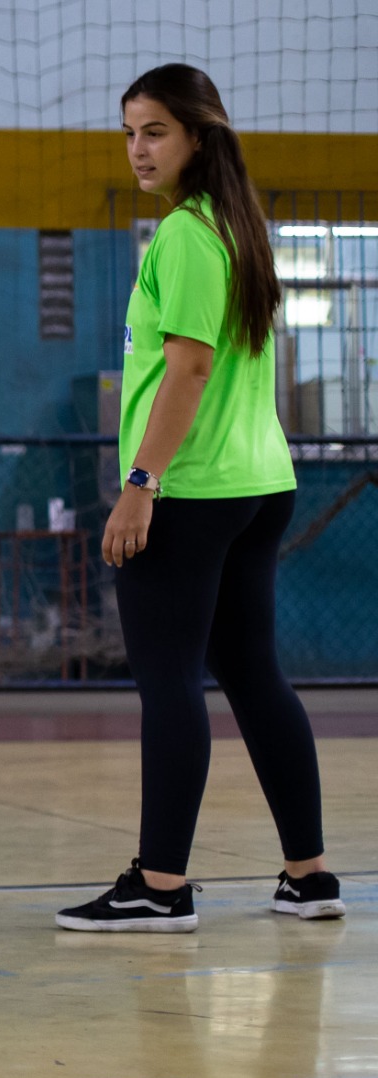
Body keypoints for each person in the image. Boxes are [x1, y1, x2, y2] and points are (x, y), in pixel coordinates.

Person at [59, 64, 341, 932]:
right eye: (129, 133)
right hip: (262, 484)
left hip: (192, 489)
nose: (139, 149)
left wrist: (140, 484)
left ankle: (161, 884)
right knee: (254, 676)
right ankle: (309, 876)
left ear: (198, 135)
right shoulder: (240, 225)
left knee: (169, 680)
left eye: (155, 132)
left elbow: (189, 367)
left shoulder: (186, 234)